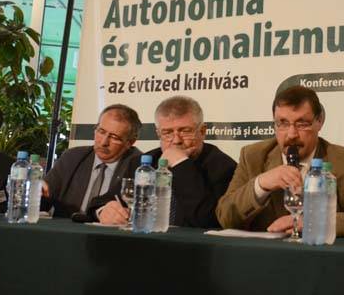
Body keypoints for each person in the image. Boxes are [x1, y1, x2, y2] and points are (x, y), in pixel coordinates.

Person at [216, 86, 344, 237]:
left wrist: (312, 222)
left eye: (302, 124)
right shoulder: (253, 156)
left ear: (319, 121)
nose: (292, 134)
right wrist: (261, 185)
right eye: (283, 123)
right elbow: (225, 217)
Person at [92, 96, 236, 228]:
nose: (176, 140)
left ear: (202, 131)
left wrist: (181, 164)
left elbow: (210, 219)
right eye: (167, 133)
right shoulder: (144, 163)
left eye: (185, 131)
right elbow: (99, 202)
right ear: (158, 134)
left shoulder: (223, 167)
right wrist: (104, 210)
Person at [43, 104, 141, 217]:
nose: (104, 142)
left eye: (114, 137)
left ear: (130, 142)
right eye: (101, 131)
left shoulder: (138, 167)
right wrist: (38, 190)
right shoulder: (72, 157)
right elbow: (44, 196)